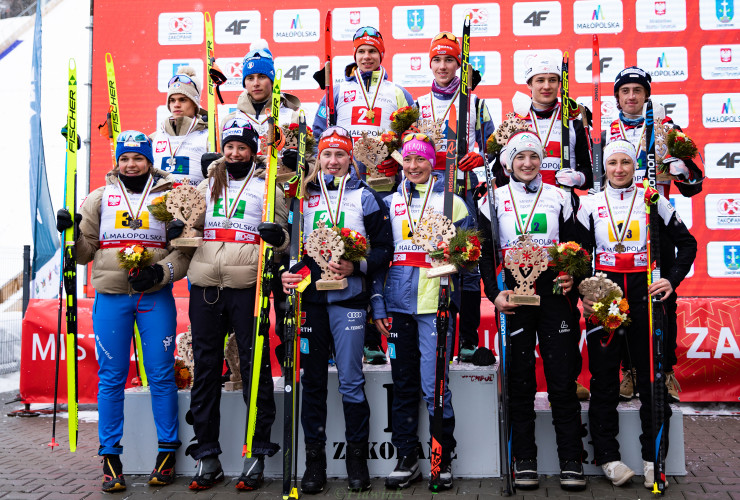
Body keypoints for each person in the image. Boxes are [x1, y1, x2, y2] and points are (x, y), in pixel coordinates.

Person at [56, 131, 192, 492]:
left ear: (150, 161)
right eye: (125, 158)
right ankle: (110, 457)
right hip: (113, 295)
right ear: (117, 161)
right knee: (112, 376)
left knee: (161, 375)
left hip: (153, 296)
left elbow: (184, 251)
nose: (131, 164)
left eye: (139, 158)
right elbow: (83, 253)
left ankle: (166, 453)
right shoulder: (100, 197)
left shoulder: (169, 196)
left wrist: (160, 274)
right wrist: (69, 234)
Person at [575, 140, 696, 488]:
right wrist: (587, 289)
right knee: (603, 383)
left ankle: (652, 459)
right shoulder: (591, 204)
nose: (618, 169)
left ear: (634, 165)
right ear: (604, 167)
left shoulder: (652, 199)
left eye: (625, 162)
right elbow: (577, 252)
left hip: (646, 301)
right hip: (605, 300)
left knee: (651, 384)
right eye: (612, 162)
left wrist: (671, 280)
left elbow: (687, 243)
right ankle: (608, 458)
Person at [281, 127, 393, 493]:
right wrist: (285, 274)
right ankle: (314, 465)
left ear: (351, 159)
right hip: (310, 302)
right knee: (311, 382)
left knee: (350, 380)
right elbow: (287, 249)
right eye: (327, 155)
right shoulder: (301, 196)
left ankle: (356, 462)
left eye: (340, 155)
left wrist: (355, 266)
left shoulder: (366, 197)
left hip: (349, 300)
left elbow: (383, 250)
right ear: (320, 159)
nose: (333, 161)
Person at [478, 131, 586, 491]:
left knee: (561, 379)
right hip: (515, 295)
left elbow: (579, 245)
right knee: (519, 380)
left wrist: (573, 272)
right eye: (520, 157)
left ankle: (572, 459)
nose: (527, 164)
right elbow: (485, 255)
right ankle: (523, 459)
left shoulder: (560, 196)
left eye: (534, 157)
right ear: (508, 162)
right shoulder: (491, 200)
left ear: (542, 161)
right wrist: (494, 294)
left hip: (554, 293)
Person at [186, 119, 289, 491]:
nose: (234, 153)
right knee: (206, 367)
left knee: (254, 366)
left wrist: (278, 238)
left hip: (248, 284)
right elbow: (187, 228)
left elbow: (283, 241)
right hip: (206, 285)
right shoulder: (205, 185)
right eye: (229, 147)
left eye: (242, 147)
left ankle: (256, 452)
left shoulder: (269, 186)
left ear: (252, 151)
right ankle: (207, 456)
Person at [371, 132, 474, 491]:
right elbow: (380, 257)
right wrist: (378, 303)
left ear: (433, 163)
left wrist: (453, 261)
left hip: (435, 304)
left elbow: (470, 253)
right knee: (403, 383)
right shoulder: (386, 202)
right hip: (397, 304)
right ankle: (406, 457)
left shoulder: (453, 202)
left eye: (421, 160)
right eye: (409, 160)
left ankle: (440, 458)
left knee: (436, 386)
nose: (414, 167)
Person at [492, 54, 593, 399]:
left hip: (558, 211)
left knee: (565, 297)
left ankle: (570, 376)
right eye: (540, 80)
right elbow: (498, 173)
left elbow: (592, 177)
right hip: (517, 213)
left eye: (553, 80)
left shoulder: (574, 120)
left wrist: (577, 178)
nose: (547, 86)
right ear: (529, 85)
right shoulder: (514, 121)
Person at [313, 25, 414, 365]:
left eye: (373, 51)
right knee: (343, 254)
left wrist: (397, 162)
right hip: (344, 187)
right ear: (354, 56)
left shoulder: (397, 93)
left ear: (382, 54)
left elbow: (410, 141)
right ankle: (353, 339)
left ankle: (376, 334)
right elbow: (318, 136)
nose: (367, 56)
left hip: (383, 189)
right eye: (361, 52)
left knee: (377, 262)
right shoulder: (338, 91)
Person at [606, 66, 704, 403]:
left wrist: (683, 169)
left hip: (655, 219)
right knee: (619, 298)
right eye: (625, 91)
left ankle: (664, 371)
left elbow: (694, 184)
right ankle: (629, 370)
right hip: (617, 218)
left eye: (637, 90)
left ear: (647, 94)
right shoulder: (604, 130)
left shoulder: (666, 129)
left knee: (662, 297)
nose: (631, 96)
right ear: (616, 96)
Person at [415, 31, 496, 362]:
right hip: (429, 192)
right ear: (430, 63)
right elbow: (407, 149)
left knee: (467, 261)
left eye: (450, 59)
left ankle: (468, 337)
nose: (443, 65)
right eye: (438, 59)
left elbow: (494, 146)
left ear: (460, 65)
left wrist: (481, 158)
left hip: (463, 189)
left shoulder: (476, 103)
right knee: (431, 260)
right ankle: (433, 330)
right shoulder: (418, 104)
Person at [151, 66, 209, 187]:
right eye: (172, 100)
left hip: (197, 202)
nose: (176, 105)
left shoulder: (211, 136)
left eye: (182, 100)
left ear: (194, 104)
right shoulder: (155, 137)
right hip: (160, 204)